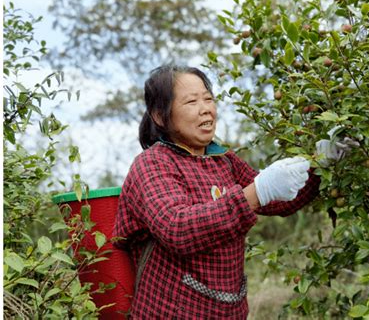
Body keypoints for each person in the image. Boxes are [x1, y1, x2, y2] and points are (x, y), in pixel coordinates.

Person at [113, 65, 354, 319]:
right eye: (191, 101)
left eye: (208, 98)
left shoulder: (223, 160)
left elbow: (277, 202)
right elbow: (178, 228)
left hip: (228, 311)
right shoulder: (153, 164)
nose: (205, 108)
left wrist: (318, 165)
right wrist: (256, 192)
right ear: (160, 116)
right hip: (170, 312)